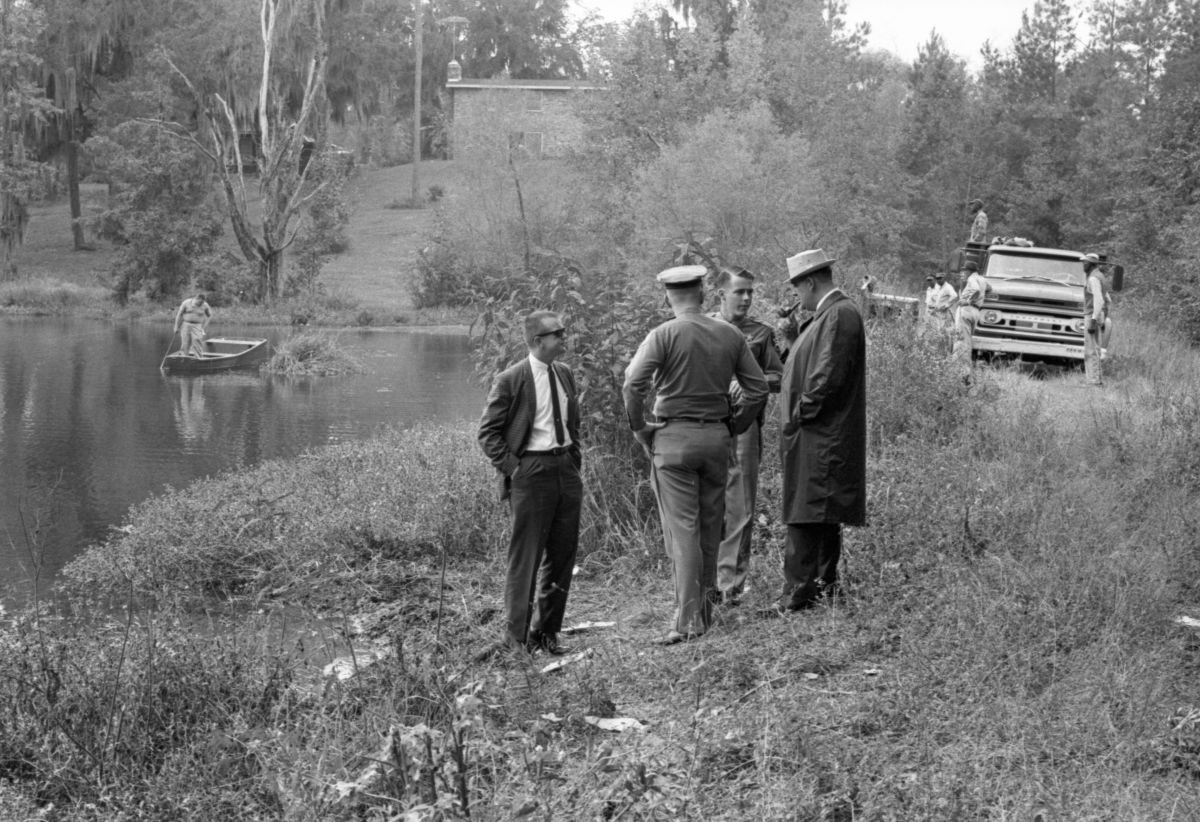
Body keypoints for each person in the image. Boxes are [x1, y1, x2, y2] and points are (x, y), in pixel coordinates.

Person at [623, 265, 769, 644]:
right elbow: (758, 390)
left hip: (673, 441)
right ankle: (703, 613)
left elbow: (632, 384)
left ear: (668, 298)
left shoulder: (664, 334)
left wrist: (640, 427)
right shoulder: (730, 334)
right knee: (709, 527)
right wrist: (734, 427)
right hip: (717, 440)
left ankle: (689, 622)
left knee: (682, 531)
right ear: (703, 295)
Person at [478, 310, 583, 656]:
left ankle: (547, 633)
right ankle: (515, 641)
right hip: (531, 472)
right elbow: (487, 433)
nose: (564, 338)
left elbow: (572, 423)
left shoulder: (565, 374)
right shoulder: (512, 378)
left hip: (565, 469)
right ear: (538, 341)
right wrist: (515, 468)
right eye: (558, 334)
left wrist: (574, 461)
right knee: (525, 558)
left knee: (563, 555)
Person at [773, 249, 867, 612]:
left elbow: (827, 377)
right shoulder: (828, 315)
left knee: (807, 511)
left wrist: (798, 414)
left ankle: (797, 595)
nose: (797, 298)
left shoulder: (839, 314)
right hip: (817, 433)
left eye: (798, 289)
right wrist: (789, 335)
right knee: (819, 512)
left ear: (810, 282)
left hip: (820, 434)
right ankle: (822, 589)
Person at [707, 266, 783, 605]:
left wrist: (749, 384)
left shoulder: (760, 333)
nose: (747, 298)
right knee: (706, 503)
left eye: (750, 291)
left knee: (740, 506)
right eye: (739, 291)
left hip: (745, 424)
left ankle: (731, 586)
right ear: (721, 293)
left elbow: (779, 377)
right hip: (706, 425)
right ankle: (703, 581)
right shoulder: (703, 327)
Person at [954, 260, 992, 379]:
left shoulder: (972, 279)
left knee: (961, 341)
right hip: (976, 311)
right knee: (967, 340)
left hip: (966, 309)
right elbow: (990, 289)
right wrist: (980, 299)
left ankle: (963, 373)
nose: (963, 272)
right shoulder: (982, 279)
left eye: (965, 270)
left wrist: (968, 300)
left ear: (969, 271)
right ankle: (965, 370)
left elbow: (975, 289)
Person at [1081, 253, 1108, 386]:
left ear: (1091, 264)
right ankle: (1096, 379)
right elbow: (1108, 300)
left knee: (1091, 350)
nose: (1083, 265)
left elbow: (1099, 300)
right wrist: (1103, 316)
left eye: (1085, 263)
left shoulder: (1093, 278)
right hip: (1097, 314)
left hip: (1092, 315)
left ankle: (1093, 381)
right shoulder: (1100, 276)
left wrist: (1093, 320)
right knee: (1095, 348)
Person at [173, 293, 212, 357]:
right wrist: (176, 327)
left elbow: (209, 315)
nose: (201, 304)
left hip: (197, 325)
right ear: (196, 299)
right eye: (200, 302)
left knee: (197, 341)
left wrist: (204, 326)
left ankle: (198, 358)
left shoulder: (205, 305)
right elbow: (179, 314)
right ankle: (184, 357)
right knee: (185, 342)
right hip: (186, 325)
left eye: (202, 302)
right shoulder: (186, 303)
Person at [925, 272, 958, 338]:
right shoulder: (940, 287)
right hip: (935, 311)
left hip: (942, 312)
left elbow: (955, 296)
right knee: (931, 329)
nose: (938, 280)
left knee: (940, 330)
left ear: (944, 278)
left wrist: (947, 305)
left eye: (940, 278)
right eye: (937, 278)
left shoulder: (947, 287)